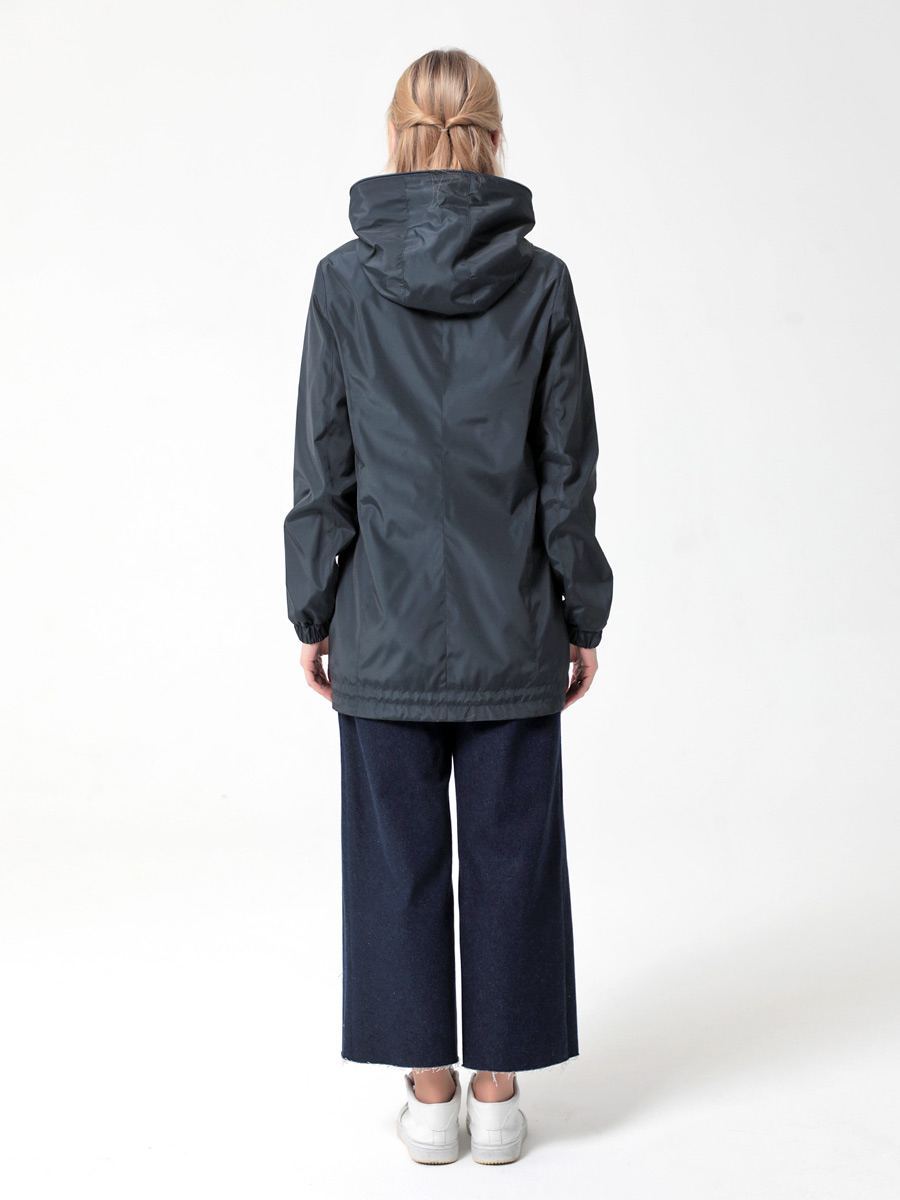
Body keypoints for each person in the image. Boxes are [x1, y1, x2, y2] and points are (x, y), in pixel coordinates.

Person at [283, 47, 614, 1165]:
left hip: (380, 623)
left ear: (396, 136)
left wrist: (313, 610)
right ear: (493, 136)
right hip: (511, 621)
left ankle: (429, 1100)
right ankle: (499, 1094)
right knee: (514, 856)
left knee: (396, 860)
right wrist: (580, 613)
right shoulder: (543, 282)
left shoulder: (342, 281)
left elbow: (324, 466)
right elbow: (567, 472)